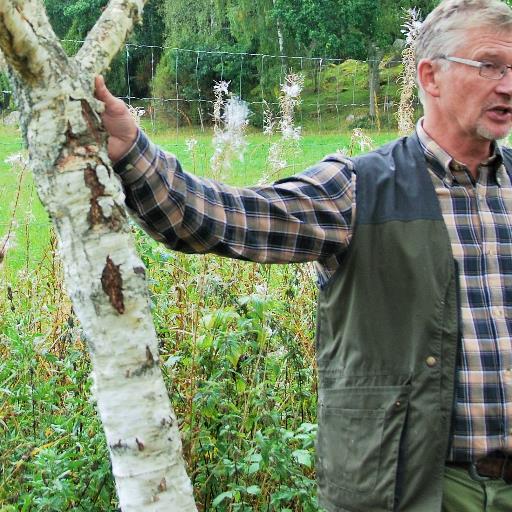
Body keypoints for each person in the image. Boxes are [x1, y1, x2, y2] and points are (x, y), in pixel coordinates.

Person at [95, 0, 512, 509]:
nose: (507, 84)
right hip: (416, 488)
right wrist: (134, 150)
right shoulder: (360, 188)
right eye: (489, 65)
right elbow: (222, 217)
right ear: (431, 76)